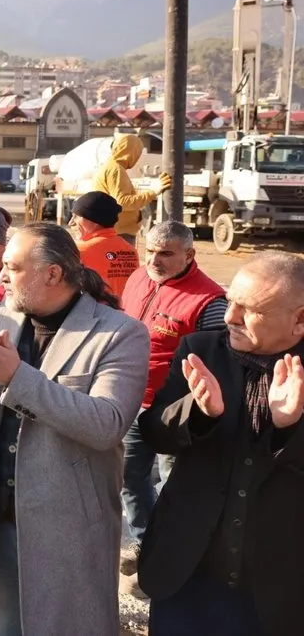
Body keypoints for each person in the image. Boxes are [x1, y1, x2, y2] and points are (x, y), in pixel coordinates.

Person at [0, 222, 150, 636]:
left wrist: (16, 377)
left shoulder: (120, 333)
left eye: (12, 267)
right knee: (4, 628)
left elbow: (106, 423)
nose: (1, 275)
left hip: (68, 529)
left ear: (52, 274)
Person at [137, 252, 304, 636]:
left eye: (249, 310)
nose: (230, 318)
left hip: (279, 593)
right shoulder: (201, 349)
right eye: (231, 302)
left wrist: (288, 430)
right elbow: (153, 432)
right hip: (186, 576)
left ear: (299, 319)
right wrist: (196, 414)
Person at [118, 221, 226, 592]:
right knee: (130, 478)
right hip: (131, 399)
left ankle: (173, 560)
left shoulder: (210, 301)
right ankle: (145, 542)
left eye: (165, 253)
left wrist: (191, 412)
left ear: (189, 254)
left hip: (176, 413)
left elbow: (215, 364)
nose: (155, 259)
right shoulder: (136, 278)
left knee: (173, 486)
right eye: (150, 250)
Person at [88, 134, 171, 244]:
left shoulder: (109, 167)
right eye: (138, 153)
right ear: (131, 152)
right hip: (118, 232)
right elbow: (122, 202)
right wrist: (153, 192)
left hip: (112, 230)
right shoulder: (116, 170)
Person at [70, 191, 138, 299]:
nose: (71, 223)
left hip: (93, 313)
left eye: (76, 217)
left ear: (95, 220)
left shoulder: (79, 251)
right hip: (124, 314)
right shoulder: (131, 251)